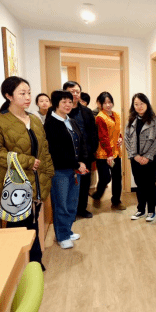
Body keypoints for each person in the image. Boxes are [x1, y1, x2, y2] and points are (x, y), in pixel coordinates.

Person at [0, 76, 55, 268]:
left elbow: (44, 150)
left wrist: (49, 174)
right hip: (15, 187)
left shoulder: (34, 120)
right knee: (18, 229)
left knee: (33, 225)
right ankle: (19, 269)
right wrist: (27, 161)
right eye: (22, 93)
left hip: (37, 183)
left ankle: (35, 263)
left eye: (29, 93)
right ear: (9, 96)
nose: (28, 97)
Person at [44, 90, 89, 249]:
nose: (68, 105)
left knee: (72, 203)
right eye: (64, 102)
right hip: (60, 171)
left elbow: (81, 142)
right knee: (61, 204)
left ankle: (67, 231)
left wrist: (82, 161)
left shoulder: (71, 121)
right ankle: (62, 236)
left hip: (75, 169)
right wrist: (77, 164)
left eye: (70, 101)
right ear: (56, 104)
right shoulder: (51, 124)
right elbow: (56, 151)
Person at [125, 93, 156, 221]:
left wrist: (147, 156)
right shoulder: (131, 120)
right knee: (139, 184)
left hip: (151, 159)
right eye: (136, 104)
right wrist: (135, 156)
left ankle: (151, 211)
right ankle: (140, 209)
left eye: (142, 103)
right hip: (135, 158)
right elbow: (126, 139)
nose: (139, 106)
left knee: (150, 184)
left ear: (147, 104)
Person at [63, 81, 98, 219]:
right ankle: (69, 212)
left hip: (85, 154)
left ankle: (82, 208)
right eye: (71, 91)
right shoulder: (59, 111)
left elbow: (93, 133)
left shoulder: (87, 112)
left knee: (84, 183)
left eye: (77, 91)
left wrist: (92, 149)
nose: (75, 94)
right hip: (66, 155)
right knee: (69, 183)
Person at [91, 92, 127, 210]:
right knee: (105, 177)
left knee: (117, 178)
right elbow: (103, 137)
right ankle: (98, 194)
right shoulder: (100, 117)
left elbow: (116, 131)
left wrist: (120, 138)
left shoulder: (116, 115)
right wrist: (109, 154)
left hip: (116, 152)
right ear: (100, 104)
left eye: (109, 102)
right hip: (103, 154)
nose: (108, 105)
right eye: (105, 103)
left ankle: (116, 201)